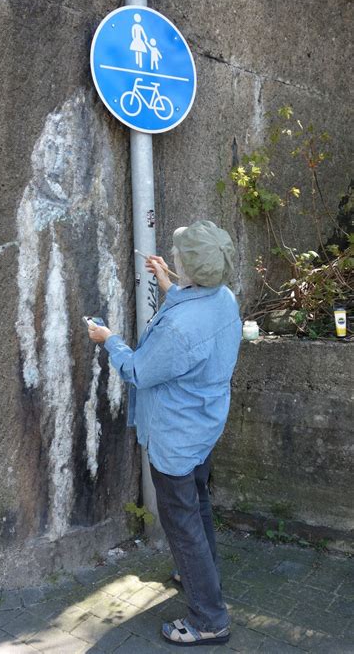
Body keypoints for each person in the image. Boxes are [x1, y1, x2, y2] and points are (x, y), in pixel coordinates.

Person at [87, 220, 241, 647]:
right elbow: (191, 325)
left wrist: (108, 338)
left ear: (191, 267)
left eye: (177, 258)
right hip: (204, 425)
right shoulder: (222, 299)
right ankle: (200, 574)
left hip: (176, 435)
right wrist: (167, 284)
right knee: (198, 504)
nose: (172, 258)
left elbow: (139, 370)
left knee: (181, 523)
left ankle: (209, 620)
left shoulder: (180, 327)